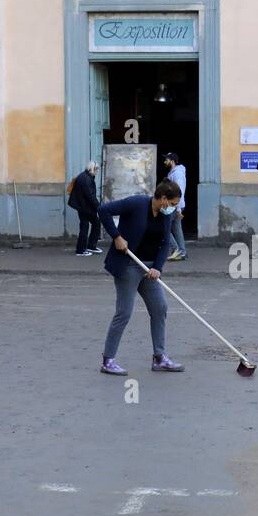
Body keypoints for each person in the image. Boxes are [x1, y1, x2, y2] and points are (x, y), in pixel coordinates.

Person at [97, 180, 185, 376]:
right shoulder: (137, 203)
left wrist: (158, 268)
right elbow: (103, 210)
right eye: (172, 204)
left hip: (149, 268)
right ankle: (108, 360)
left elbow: (164, 244)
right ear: (163, 199)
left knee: (159, 307)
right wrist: (116, 236)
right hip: (128, 265)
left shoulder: (164, 216)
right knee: (124, 312)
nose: (173, 208)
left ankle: (160, 357)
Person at [68, 161, 102, 256]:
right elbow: (90, 196)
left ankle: (91, 246)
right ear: (92, 169)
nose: (97, 171)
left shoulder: (86, 176)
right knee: (85, 226)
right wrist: (99, 207)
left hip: (84, 206)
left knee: (95, 223)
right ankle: (81, 250)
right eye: (96, 169)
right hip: (84, 207)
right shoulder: (86, 179)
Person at [162, 152, 188, 261]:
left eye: (166, 159)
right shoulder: (173, 173)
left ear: (172, 161)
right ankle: (181, 252)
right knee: (177, 229)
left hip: (174, 205)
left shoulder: (177, 174)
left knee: (164, 227)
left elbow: (179, 191)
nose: (165, 162)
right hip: (175, 205)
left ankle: (176, 249)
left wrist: (178, 209)